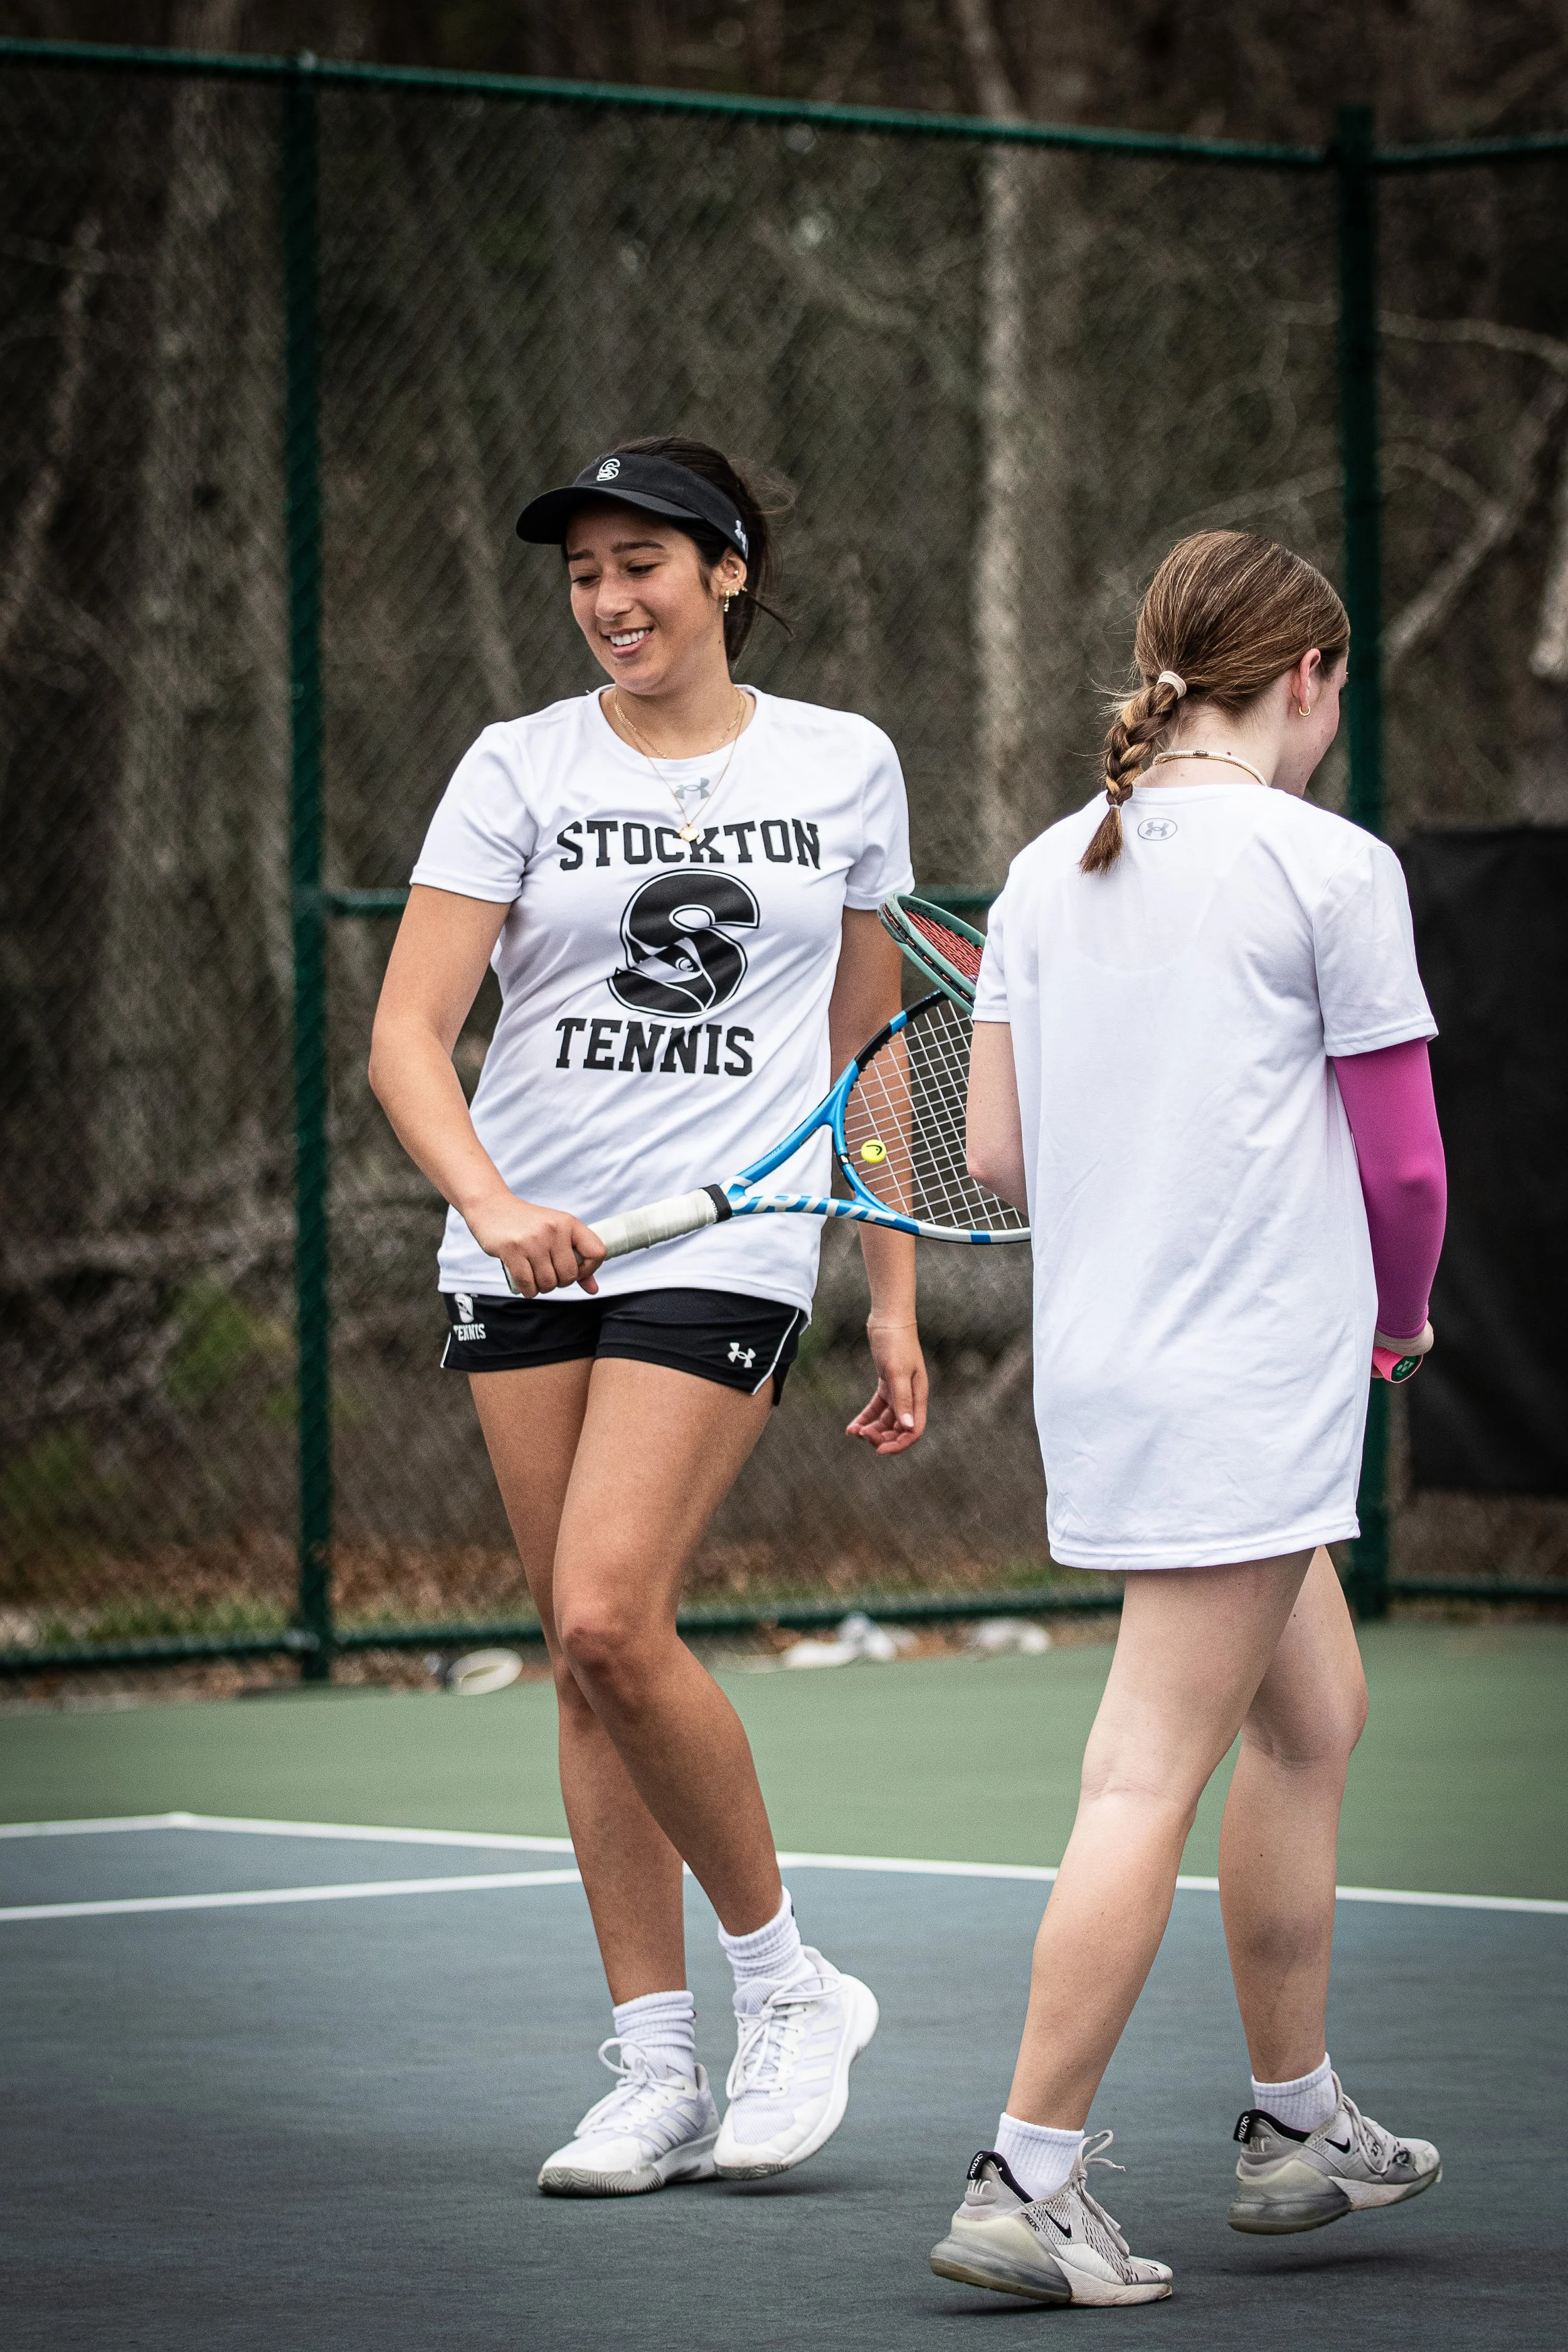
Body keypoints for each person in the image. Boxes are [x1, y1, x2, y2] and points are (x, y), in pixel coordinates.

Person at [368, 436, 926, 2196]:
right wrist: (492, 1206)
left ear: (727, 570)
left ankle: (790, 1986)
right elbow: (407, 1034)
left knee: (613, 1612)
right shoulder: (514, 765)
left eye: (643, 565)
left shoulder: (843, 762)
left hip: (729, 1243)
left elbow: (863, 1058)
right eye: (585, 574)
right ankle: (658, 2068)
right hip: (524, 1250)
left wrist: (890, 1289)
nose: (611, 599)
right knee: (581, 1656)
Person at [934, 531, 1447, 2307]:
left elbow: (998, 1156)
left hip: (1118, 1374)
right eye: (1334, 691)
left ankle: (1296, 2122)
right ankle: (1027, 2175)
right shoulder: (1332, 863)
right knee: (1144, 1771)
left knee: (1314, 1714)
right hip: (1249, 1381)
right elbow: (1403, 1164)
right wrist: (1399, 1317)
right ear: (1304, 678)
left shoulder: (1036, 869)